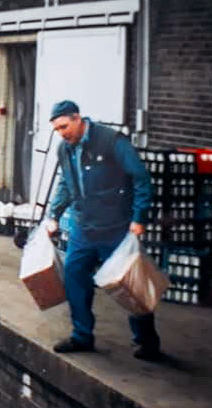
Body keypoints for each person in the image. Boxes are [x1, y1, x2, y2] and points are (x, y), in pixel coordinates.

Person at [43, 100, 162, 361]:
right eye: (57, 130)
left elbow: (141, 178)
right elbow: (66, 182)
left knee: (130, 285)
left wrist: (139, 218)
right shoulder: (65, 149)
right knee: (74, 277)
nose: (62, 133)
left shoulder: (111, 141)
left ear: (77, 118)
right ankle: (81, 336)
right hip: (83, 227)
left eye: (64, 126)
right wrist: (54, 214)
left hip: (116, 227)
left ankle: (147, 341)